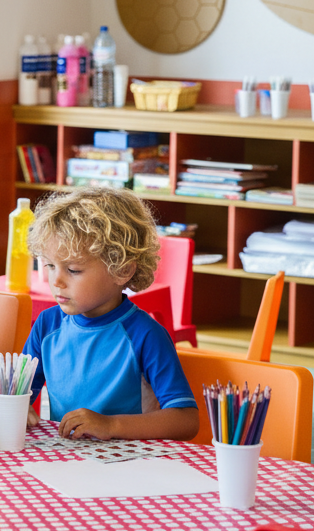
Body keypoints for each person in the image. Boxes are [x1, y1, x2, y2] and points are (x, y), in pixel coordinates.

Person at [21, 186, 199, 441]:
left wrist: (110, 425)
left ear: (122, 270)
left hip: (132, 460)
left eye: (73, 270)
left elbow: (186, 420)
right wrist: (11, 406)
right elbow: (18, 393)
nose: (56, 281)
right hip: (67, 458)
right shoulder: (47, 325)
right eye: (49, 265)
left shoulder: (145, 335)